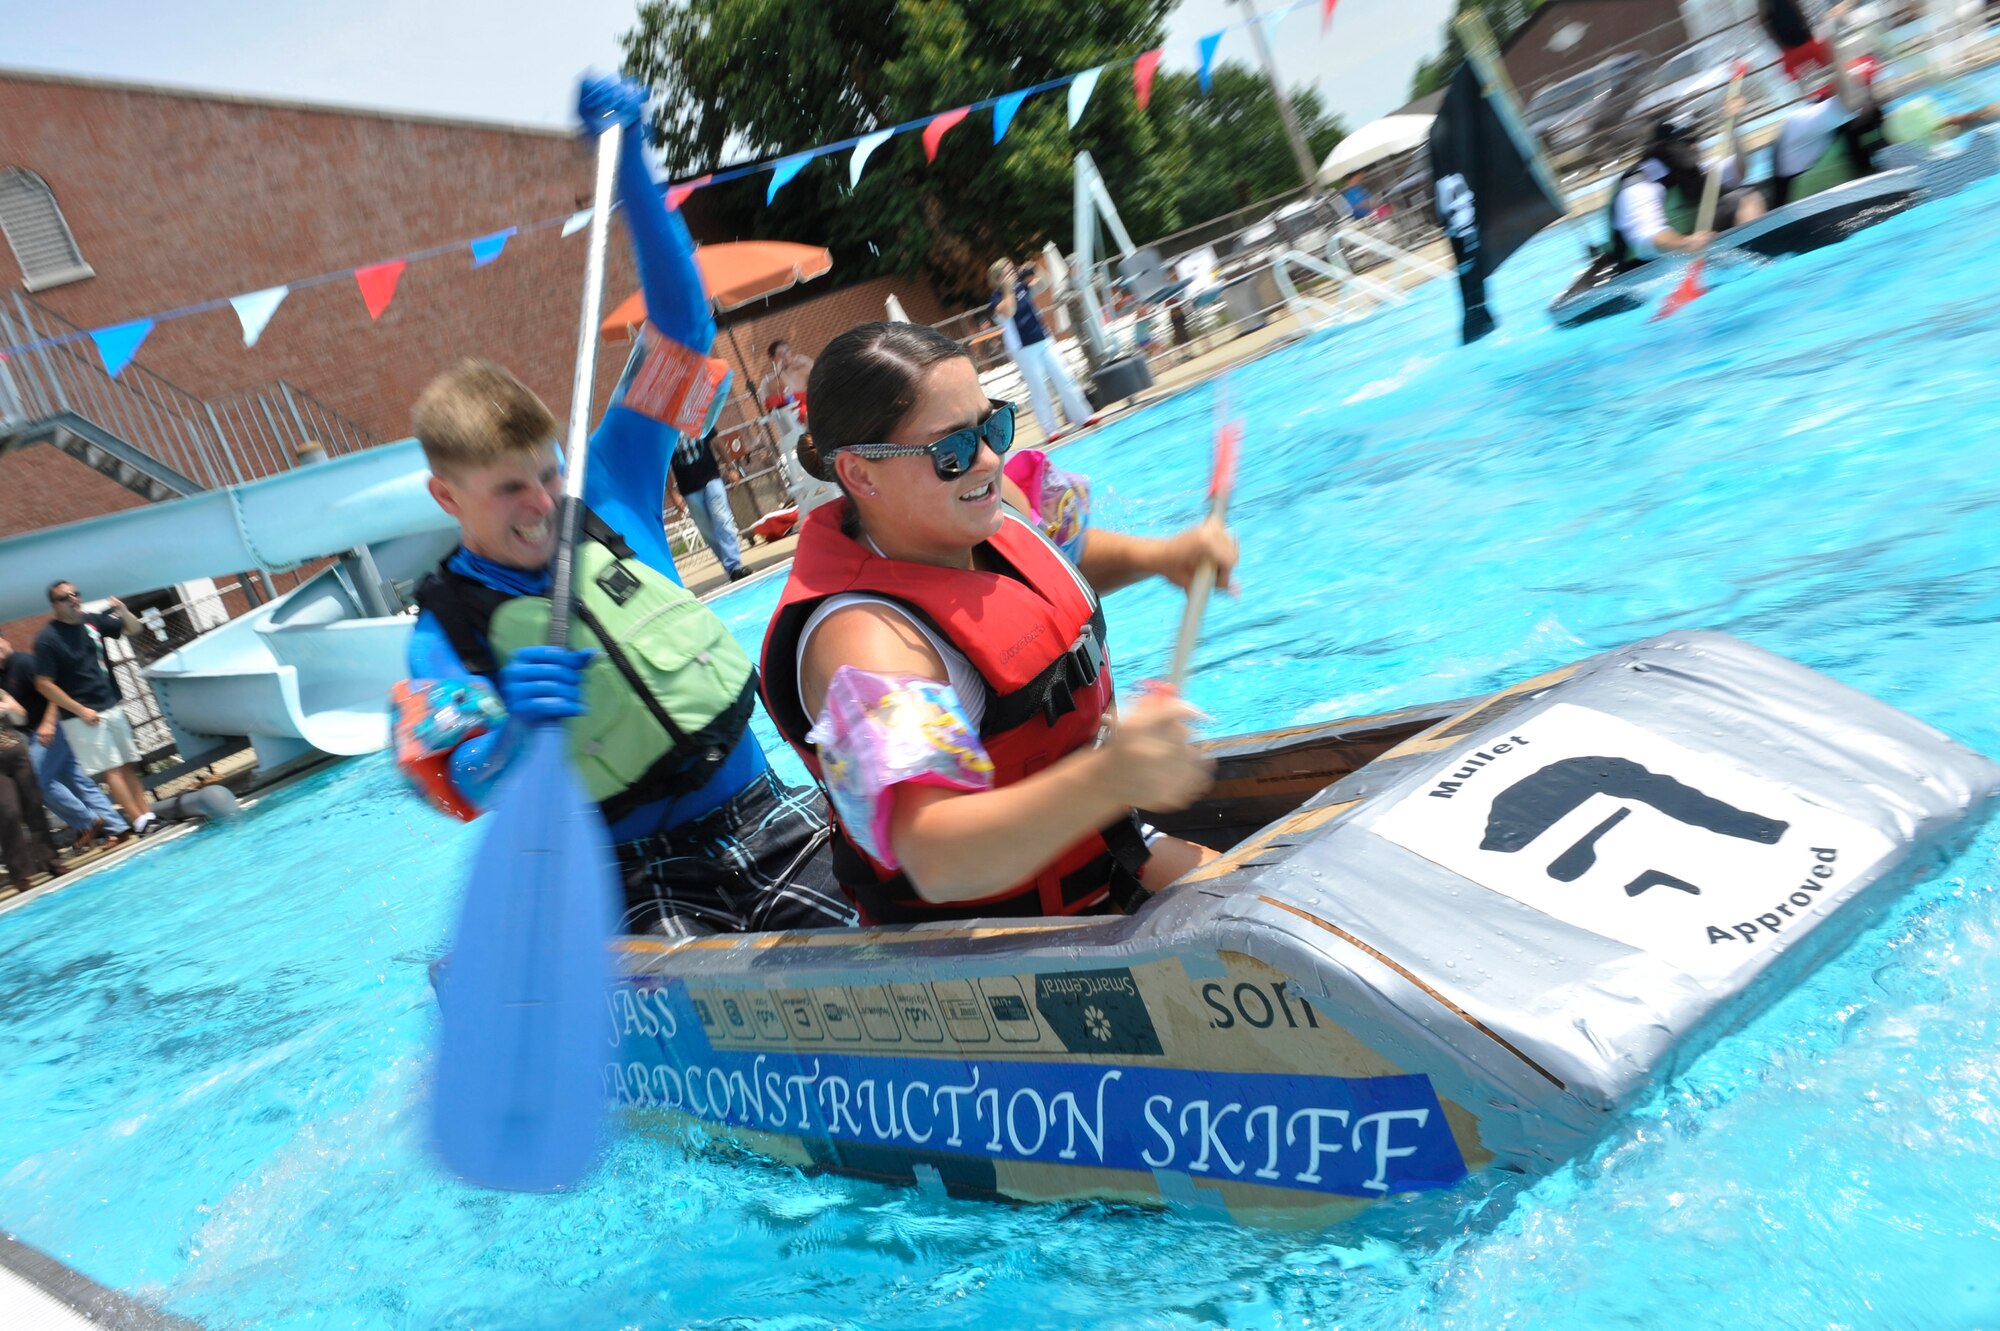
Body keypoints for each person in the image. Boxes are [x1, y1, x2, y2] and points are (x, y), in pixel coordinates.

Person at [394, 74, 851, 938]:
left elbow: (682, 323)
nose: (541, 503)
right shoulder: (443, 629)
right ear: (445, 496)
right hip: (629, 879)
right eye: (508, 489)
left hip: (768, 815)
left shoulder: (611, 480)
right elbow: (450, 779)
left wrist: (634, 166)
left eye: (545, 472)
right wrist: (510, 736)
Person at [760, 321, 1240, 926]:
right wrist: (1109, 776)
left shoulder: (985, 505)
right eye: (950, 451)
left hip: (1105, 859)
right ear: (860, 474)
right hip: (984, 946)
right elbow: (935, 857)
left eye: (993, 426)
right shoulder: (866, 641)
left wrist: (1165, 557)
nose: (988, 459)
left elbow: (1049, 560)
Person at [33, 582, 158, 836]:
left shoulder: (91, 622)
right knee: (112, 769)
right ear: (54, 605)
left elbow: (134, 629)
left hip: (110, 704)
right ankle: (137, 821)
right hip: (83, 717)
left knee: (126, 764)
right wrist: (79, 710)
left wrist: (123, 612)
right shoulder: (47, 639)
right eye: (64, 597)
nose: (73, 599)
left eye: (75, 594)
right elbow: (44, 684)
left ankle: (147, 815)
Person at [0, 636, 129, 851]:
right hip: (36, 731)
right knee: (77, 779)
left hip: (53, 726)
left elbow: (55, 689)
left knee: (36, 780)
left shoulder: (24, 663)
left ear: (6, 641)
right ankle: (118, 828)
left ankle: (89, 821)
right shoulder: (2, 675)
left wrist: (49, 723)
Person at [1606, 108, 1766, 268]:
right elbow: (1647, 239)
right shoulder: (1640, 186)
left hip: (1690, 250)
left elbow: (1738, 170)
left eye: (1696, 139)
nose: (1695, 146)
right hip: (1645, 266)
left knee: (1745, 196)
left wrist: (1734, 125)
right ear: (1665, 148)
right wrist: (1685, 243)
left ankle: (1758, 254)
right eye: (1687, 142)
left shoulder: (1690, 168)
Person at [988, 258, 1099, 443]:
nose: (1011, 273)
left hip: (1043, 340)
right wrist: (1008, 289)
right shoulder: (996, 298)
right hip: (1023, 348)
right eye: (1006, 272)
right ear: (998, 278)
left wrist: (1035, 268)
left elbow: (1045, 283)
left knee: (1065, 377)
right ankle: (1050, 430)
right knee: (1038, 389)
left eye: (1011, 270)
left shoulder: (1022, 288)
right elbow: (1008, 312)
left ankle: (1083, 417)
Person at [667, 426, 750, 581]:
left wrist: (730, 467)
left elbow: (715, 440)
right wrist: (673, 492)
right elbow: (664, 463)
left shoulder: (698, 416)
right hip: (688, 488)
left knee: (722, 519)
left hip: (711, 477)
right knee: (706, 530)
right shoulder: (665, 428)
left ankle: (734, 565)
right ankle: (730, 567)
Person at [0, 690, 62, 889]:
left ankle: (51, 861)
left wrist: (8, 707)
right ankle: (19, 874)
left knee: (34, 805)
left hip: (16, 754)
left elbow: (21, 714)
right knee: (9, 812)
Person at [760, 339, 813, 410]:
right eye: (780, 354)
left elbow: (822, 374)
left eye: (787, 350)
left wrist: (807, 361)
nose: (785, 355)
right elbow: (791, 392)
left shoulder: (802, 371)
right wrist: (780, 372)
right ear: (773, 359)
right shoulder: (772, 383)